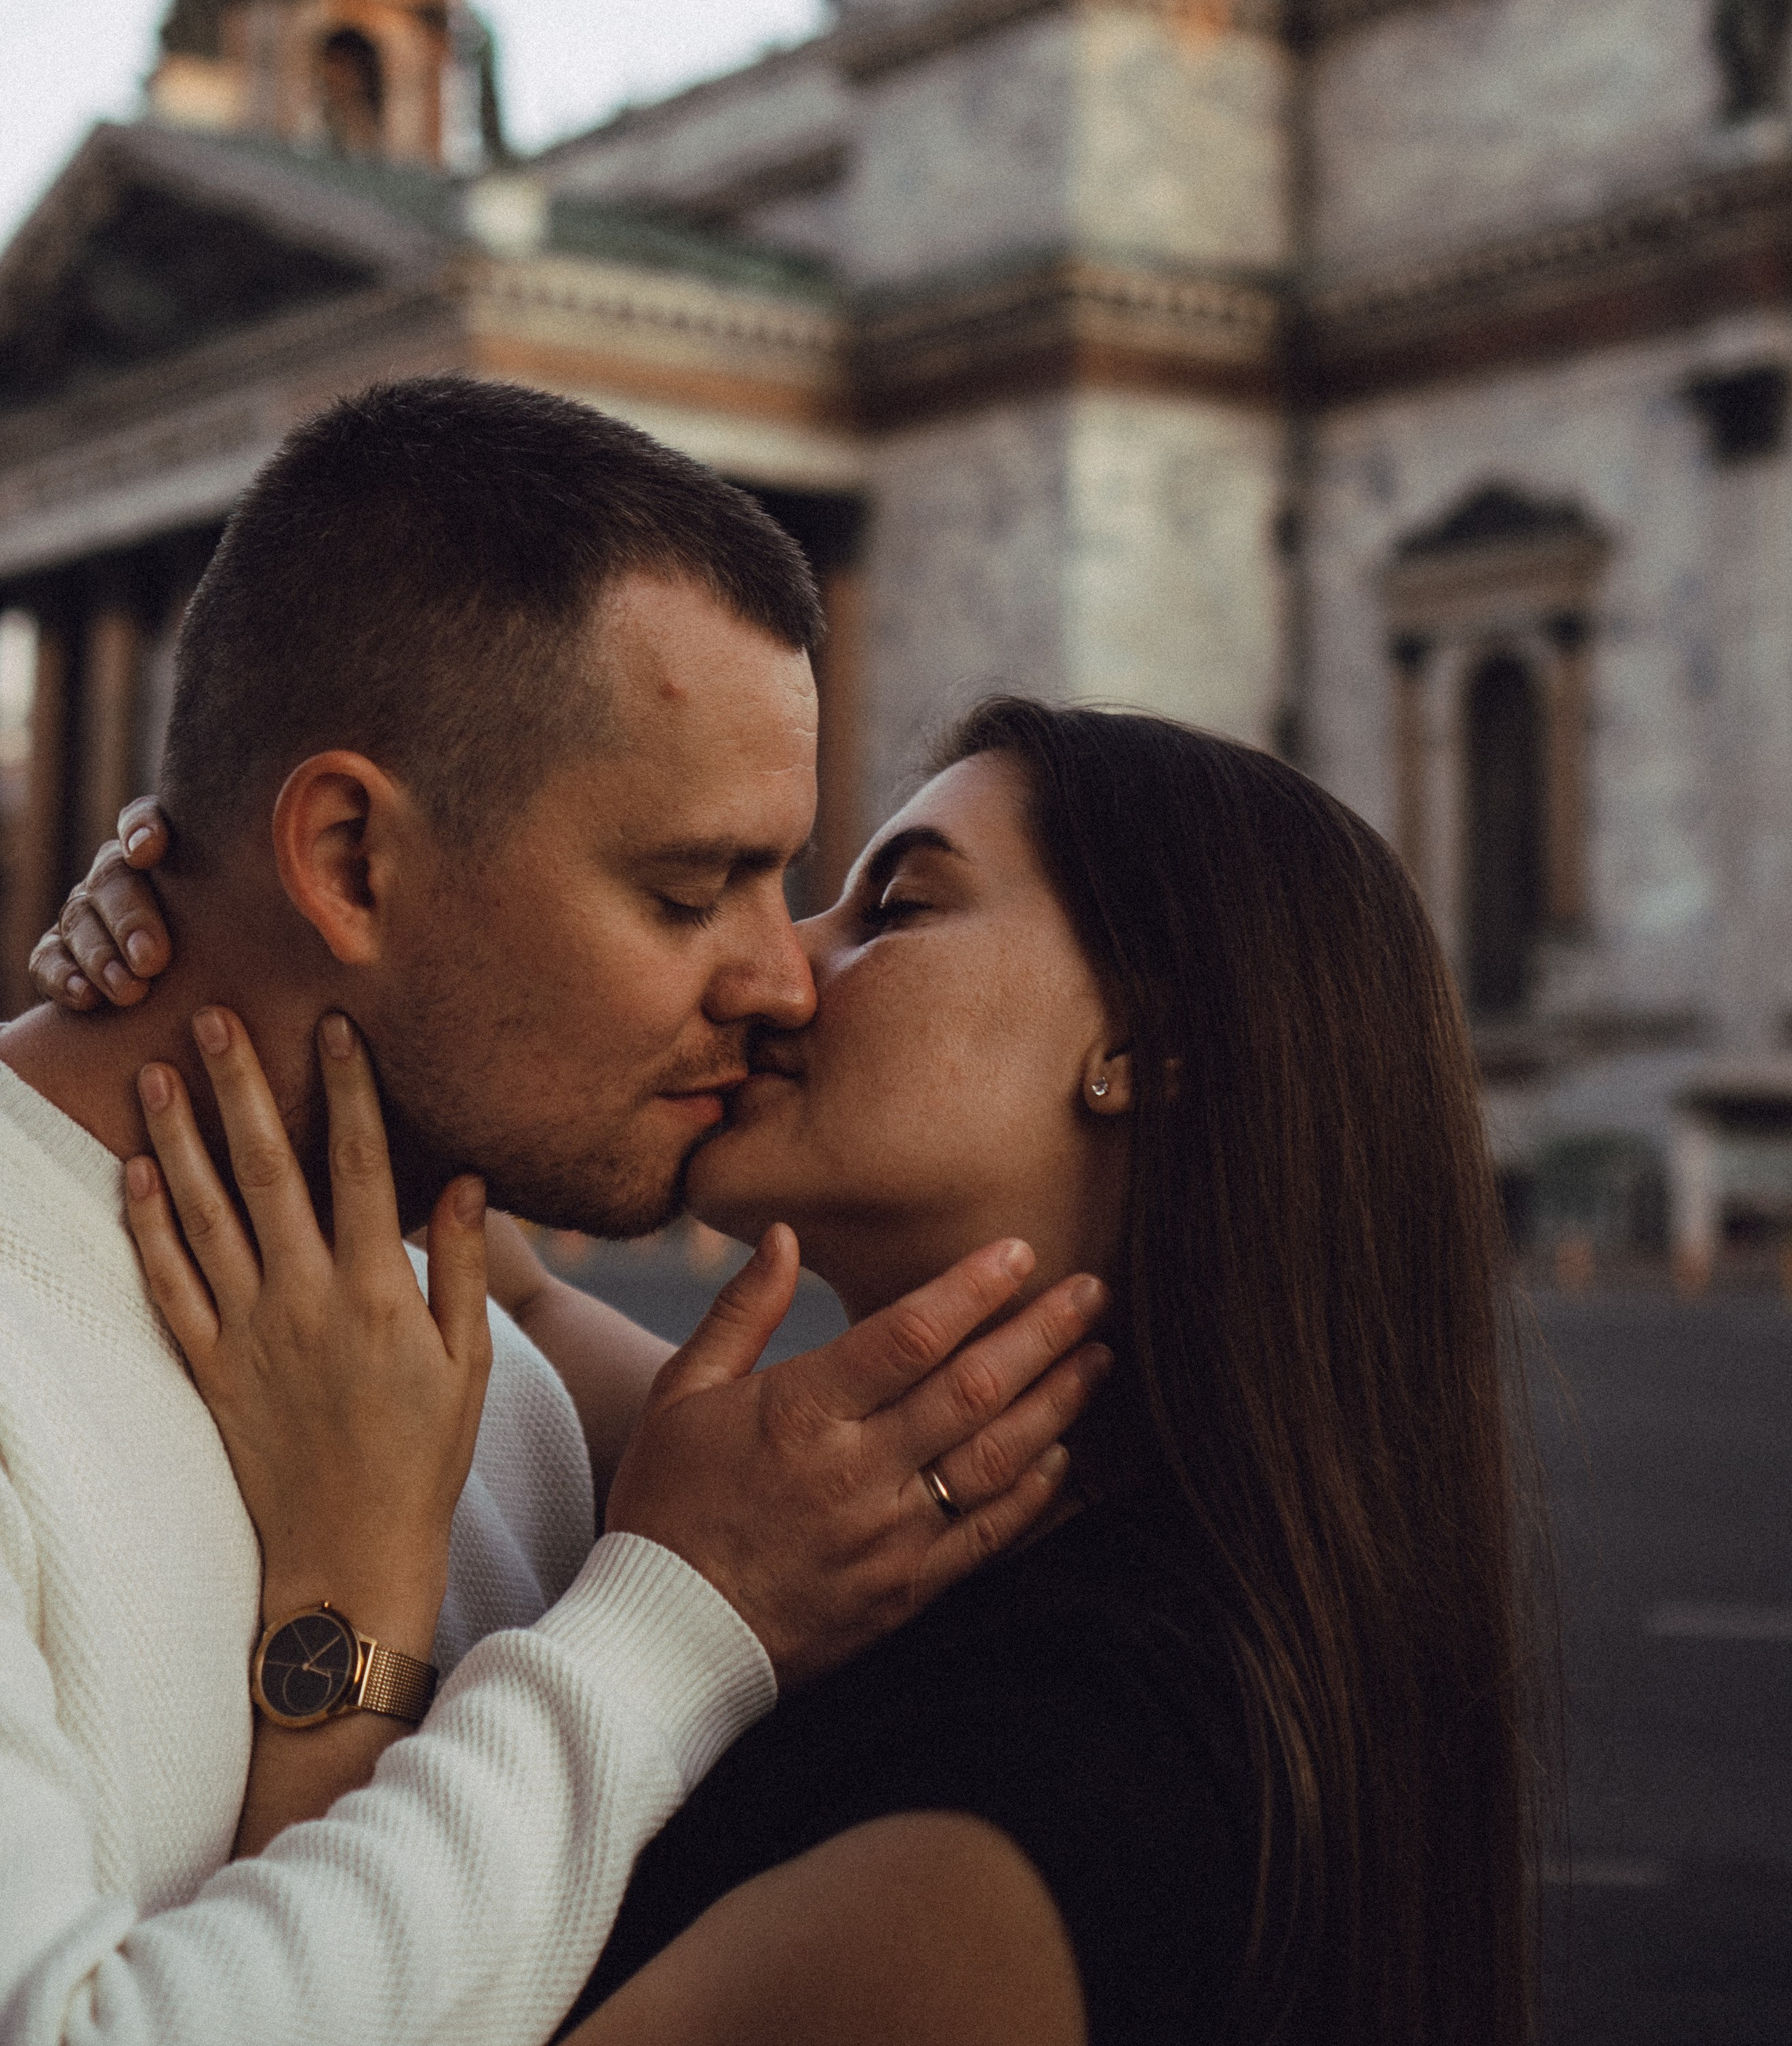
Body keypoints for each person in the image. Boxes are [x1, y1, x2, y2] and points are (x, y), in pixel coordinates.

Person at [92, 697, 1538, 2046]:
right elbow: (503, 1275)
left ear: (1141, 1048)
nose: (780, 966)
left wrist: (343, 1611)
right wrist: (238, 939)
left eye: (895, 905)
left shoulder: (1018, 1832)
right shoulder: (923, 1519)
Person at [0, 380, 1107, 2046]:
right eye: (686, 891)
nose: (775, 975)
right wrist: (672, 1630)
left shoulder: (474, 1339)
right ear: (353, 859)